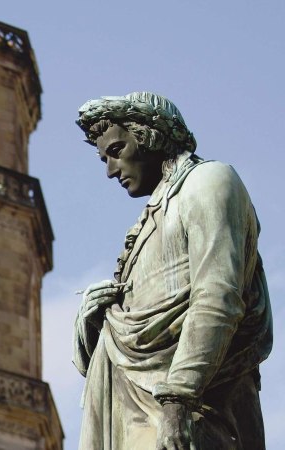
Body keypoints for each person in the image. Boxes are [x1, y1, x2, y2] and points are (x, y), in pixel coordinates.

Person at [73, 92, 272, 449]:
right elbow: (125, 337)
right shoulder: (149, 220)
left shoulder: (208, 181)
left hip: (186, 415)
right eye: (103, 158)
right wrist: (94, 319)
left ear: (150, 136)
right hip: (130, 414)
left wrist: (178, 400)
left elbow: (218, 297)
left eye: (117, 150)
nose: (109, 170)